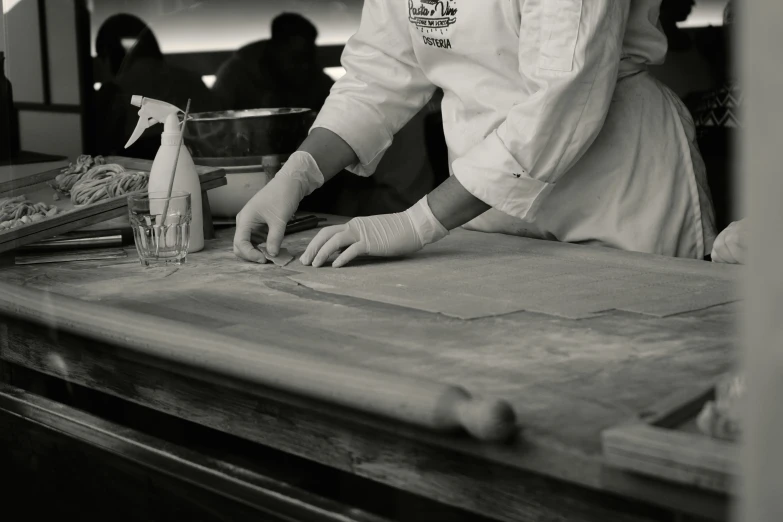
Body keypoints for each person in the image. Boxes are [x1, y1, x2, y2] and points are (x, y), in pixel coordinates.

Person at [234, 0, 717, 268]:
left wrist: (417, 223)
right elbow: (377, 76)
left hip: (616, 184)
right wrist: (298, 174)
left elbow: (562, 99)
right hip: (477, 193)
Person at [93, 14, 219, 159]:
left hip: (139, 174)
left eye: (101, 59)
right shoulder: (194, 80)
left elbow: (102, 152)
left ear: (108, 56)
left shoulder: (113, 92)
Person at [212, 13, 334, 112]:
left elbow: (336, 106)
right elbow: (217, 122)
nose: (304, 65)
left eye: (308, 56)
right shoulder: (234, 75)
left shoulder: (313, 73)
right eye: (296, 57)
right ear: (276, 47)